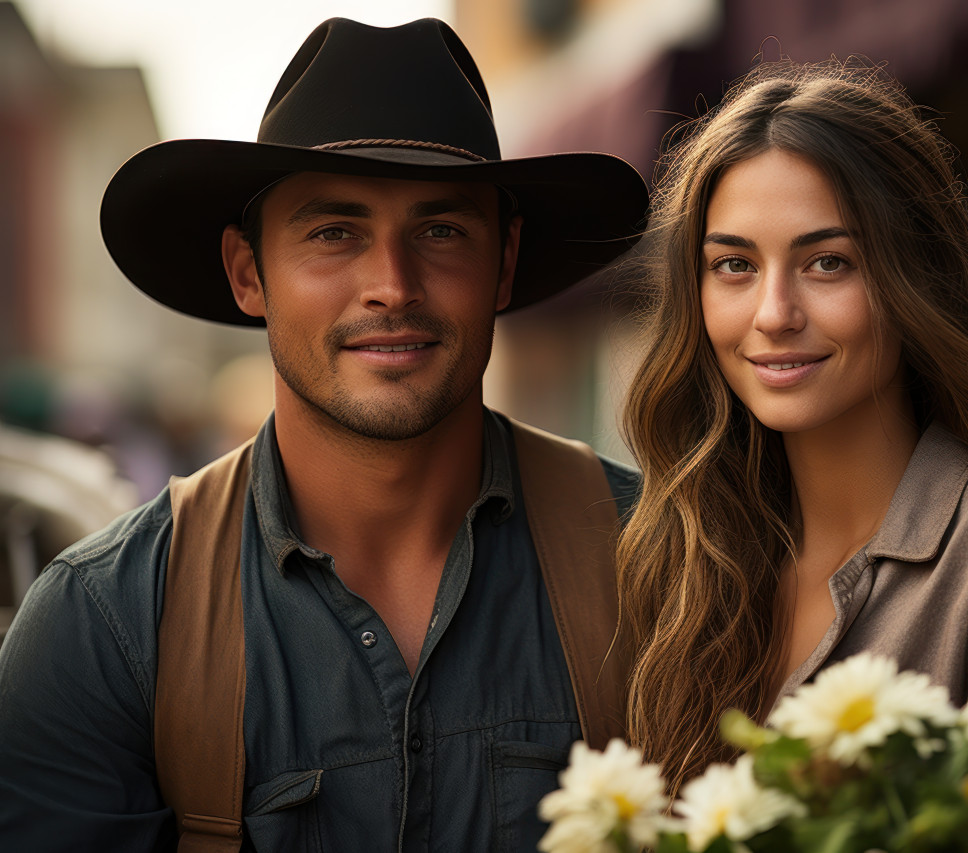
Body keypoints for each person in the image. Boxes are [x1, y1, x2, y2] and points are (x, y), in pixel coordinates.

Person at [0, 18, 648, 851]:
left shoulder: (659, 562)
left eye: (442, 229)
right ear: (248, 273)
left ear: (506, 263)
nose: (391, 284)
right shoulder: (107, 623)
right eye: (333, 232)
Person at [616, 58, 968, 789]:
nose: (774, 314)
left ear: (914, 277)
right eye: (734, 265)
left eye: (828, 262)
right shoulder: (694, 569)